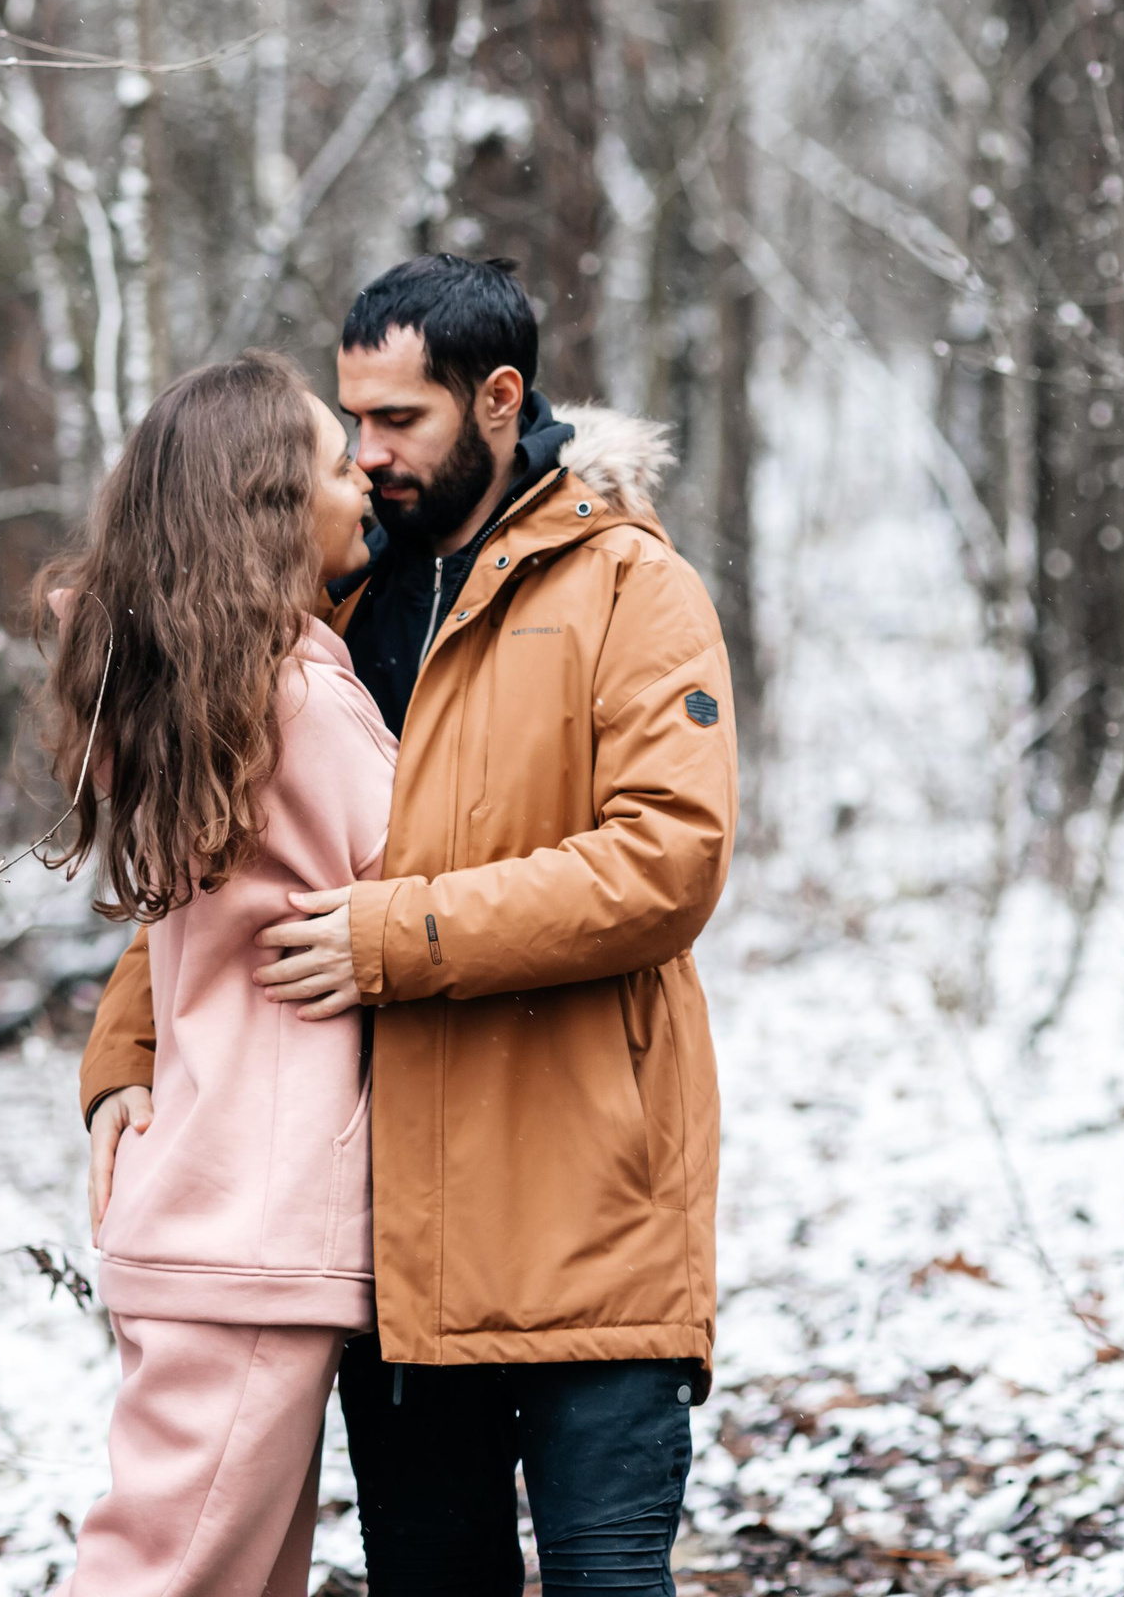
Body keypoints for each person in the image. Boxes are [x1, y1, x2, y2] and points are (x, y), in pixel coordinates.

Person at [80, 255, 738, 1596]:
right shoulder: (340, 601)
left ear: (497, 401)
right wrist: (123, 1058)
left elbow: (669, 860)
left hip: (582, 1191)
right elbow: (224, 859)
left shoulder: (629, 588)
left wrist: (396, 939)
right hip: (399, 1235)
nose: (369, 457)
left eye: (401, 422)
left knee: (611, 1578)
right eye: (352, 423)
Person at [40, 350, 394, 1597]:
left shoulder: (187, 688)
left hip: (211, 1204)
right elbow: (423, 878)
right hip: (255, 1219)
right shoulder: (306, 704)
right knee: (165, 1578)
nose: (366, 488)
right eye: (338, 469)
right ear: (271, 512)